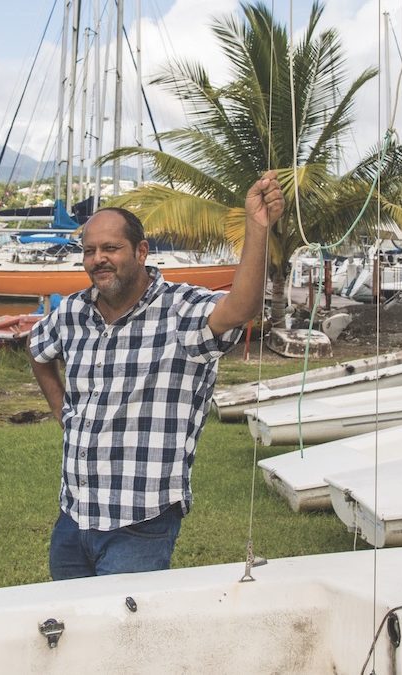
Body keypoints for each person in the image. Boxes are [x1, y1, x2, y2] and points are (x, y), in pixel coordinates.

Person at [28, 171, 284, 580]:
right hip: (74, 517)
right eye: (89, 250)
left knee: (126, 634)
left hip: (141, 522)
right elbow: (38, 350)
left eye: (111, 248)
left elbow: (240, 308)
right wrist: (61, 409)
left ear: (141, 251)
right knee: (74, 631)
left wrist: (257, 227)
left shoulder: (180, 311)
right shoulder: (73, 312)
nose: (98, 259)